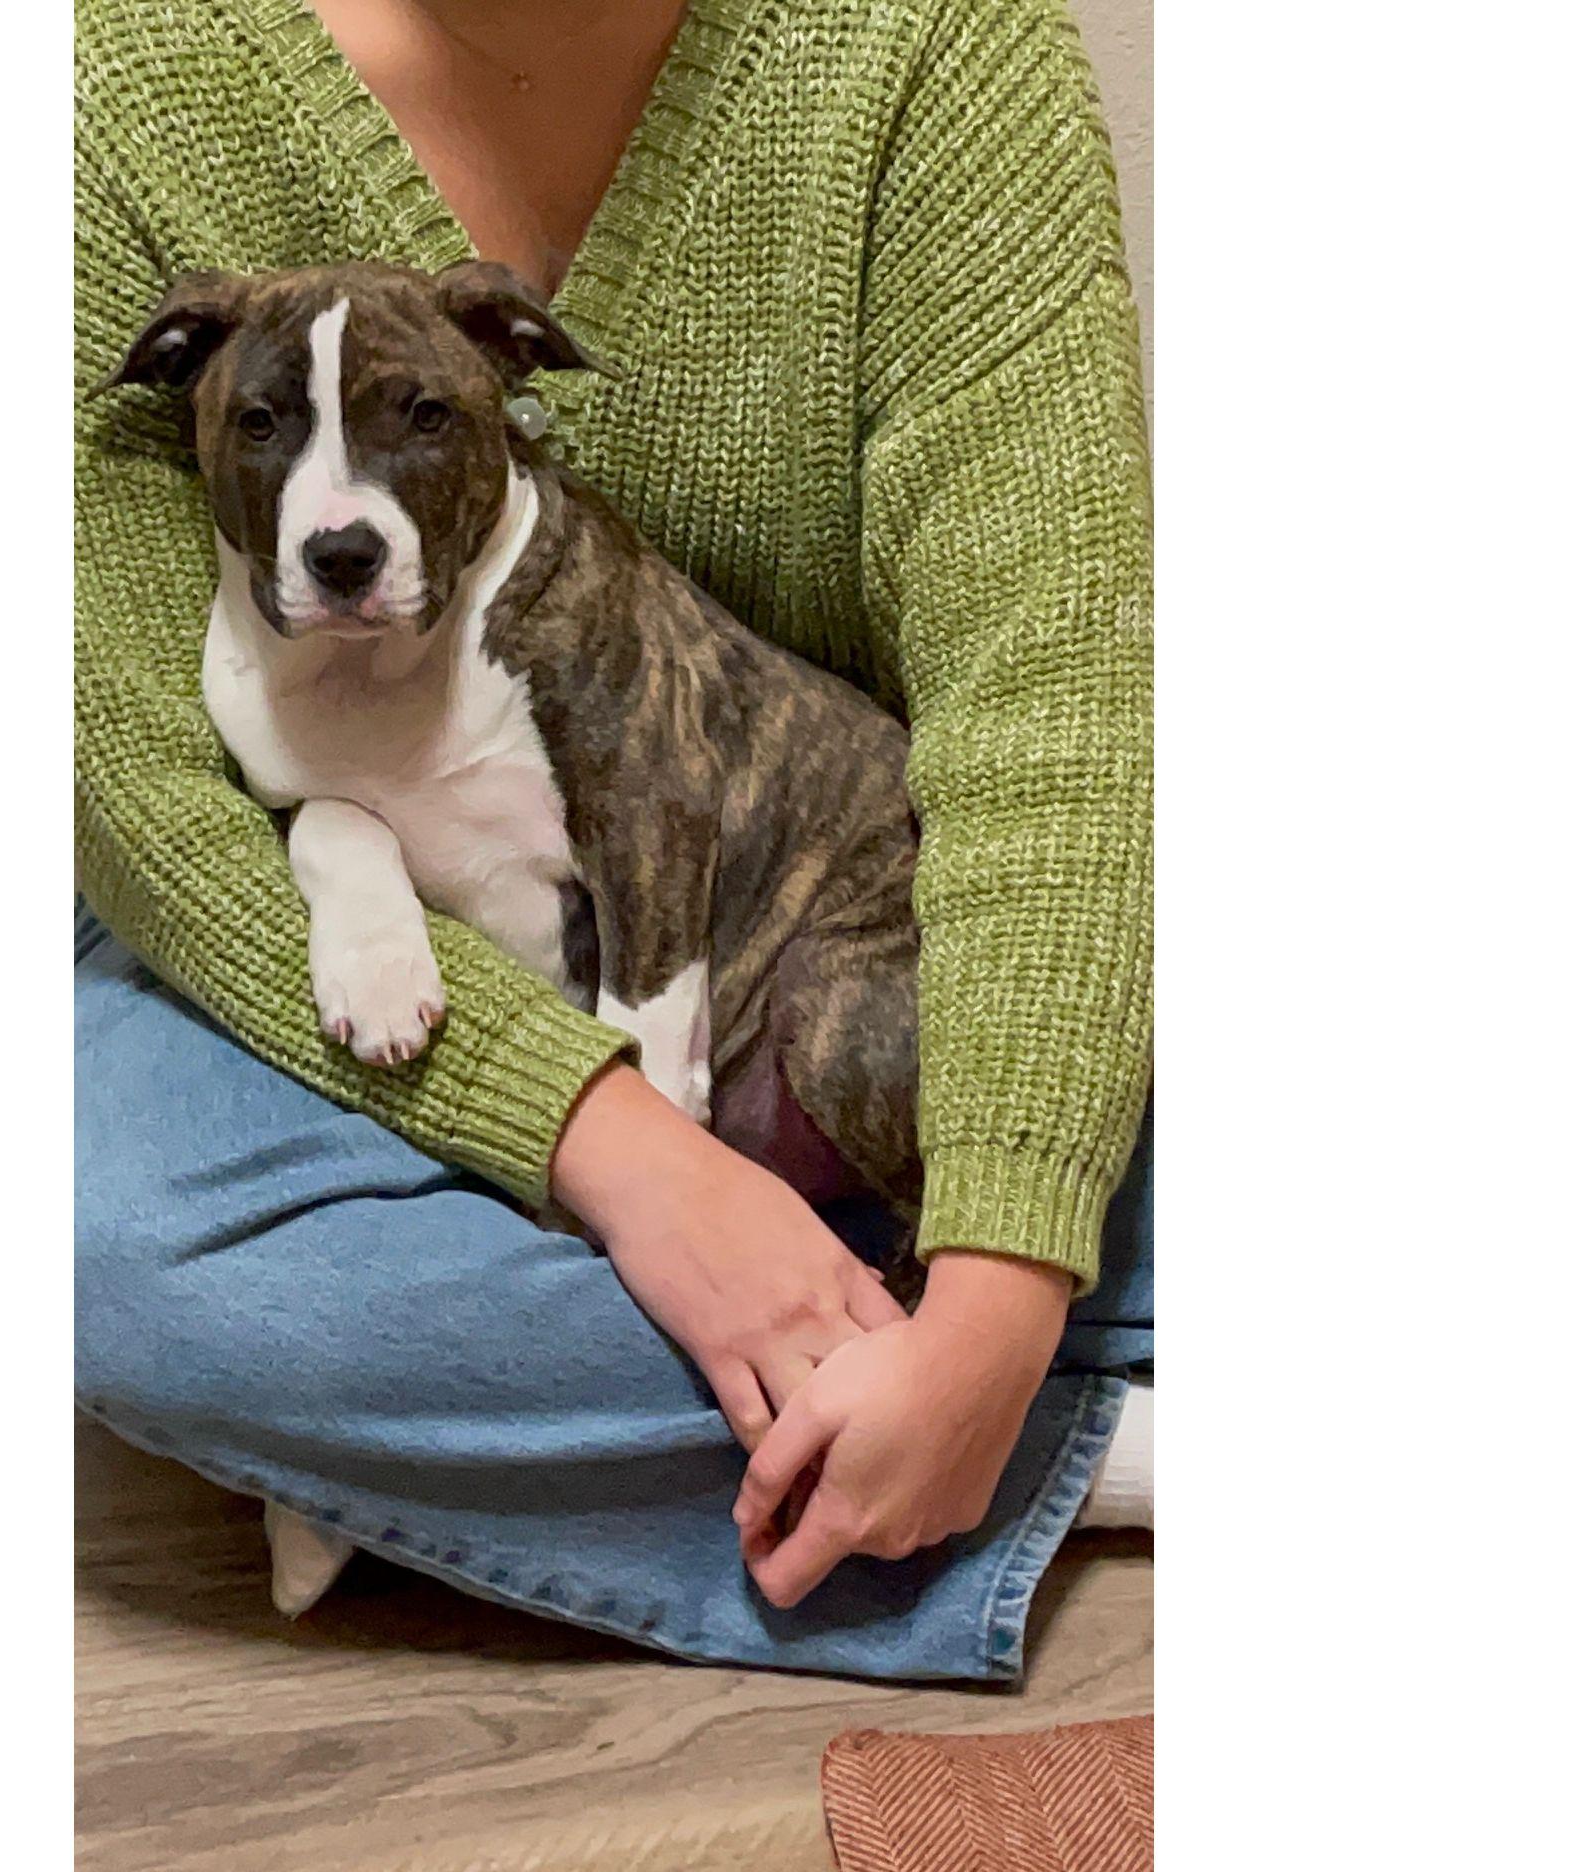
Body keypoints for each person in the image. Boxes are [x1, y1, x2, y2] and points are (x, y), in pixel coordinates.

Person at [75, 0, 1153, 1681]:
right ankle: (1057, 1439)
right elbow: (136, 790)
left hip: (841, 910)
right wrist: (637, 1167)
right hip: (292, 925)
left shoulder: (937, 45)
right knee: (124, 1254)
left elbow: (1059, 701)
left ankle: (507, 1430)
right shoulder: (118, 78)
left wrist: (1003, 1285)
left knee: (1087, 1084)